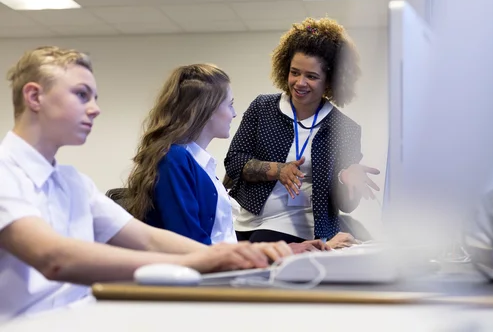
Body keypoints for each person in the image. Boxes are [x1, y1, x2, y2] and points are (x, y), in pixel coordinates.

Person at [0, 47, 292, 322]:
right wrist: (194, 262)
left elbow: (147, 239)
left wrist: (227, 255)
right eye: (81, 95)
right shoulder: (5, 174)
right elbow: (55, 258)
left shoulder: (73, 182)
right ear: (34, 97)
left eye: (94, 98)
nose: (95, 109)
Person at [126, 63, 326, 253]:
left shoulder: (198, 164)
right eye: (230, 105)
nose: (234, 114)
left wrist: (283, 249)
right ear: (206, 109)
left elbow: (217, 242)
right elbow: (191, 246)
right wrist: (265, 254)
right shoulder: (175, 160)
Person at [225, 17, 380, 247]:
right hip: (245, 221)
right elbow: (234, 162)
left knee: (264, 246)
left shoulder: (345, 129)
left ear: (330, 81)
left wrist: (346, 181)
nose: (300, 82)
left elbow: (346, 206)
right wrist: (278, 170)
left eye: (312, 76)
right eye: (295, 72)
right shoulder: (262, 108)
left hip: (303, 228)